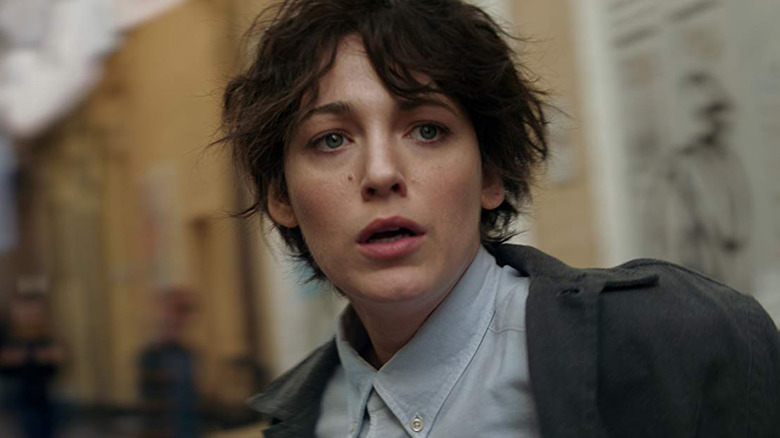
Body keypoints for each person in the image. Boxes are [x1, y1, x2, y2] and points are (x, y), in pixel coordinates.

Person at [219, 0, 780, 437]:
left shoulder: (674, 345)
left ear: (490, 174)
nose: (381, 172)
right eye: (331, 139)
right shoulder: (299, 417)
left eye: (427, 129)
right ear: (280, 195)